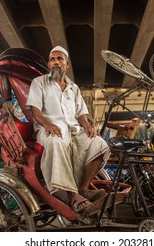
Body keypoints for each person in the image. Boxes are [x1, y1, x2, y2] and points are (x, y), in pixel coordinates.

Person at [26, 46, 110, 213]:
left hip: (73, 130)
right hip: (48, 129)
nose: (56, 62)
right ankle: (72, 196)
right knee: (55, 142)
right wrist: (48, 124)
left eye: (60, 59)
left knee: (99, 144)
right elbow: (35, 111)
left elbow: (81, 114)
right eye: (52, 60)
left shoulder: (74, 88)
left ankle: (83, 188)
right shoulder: (39, 82)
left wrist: (87, 126)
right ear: (49, 64)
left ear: (67, 64)